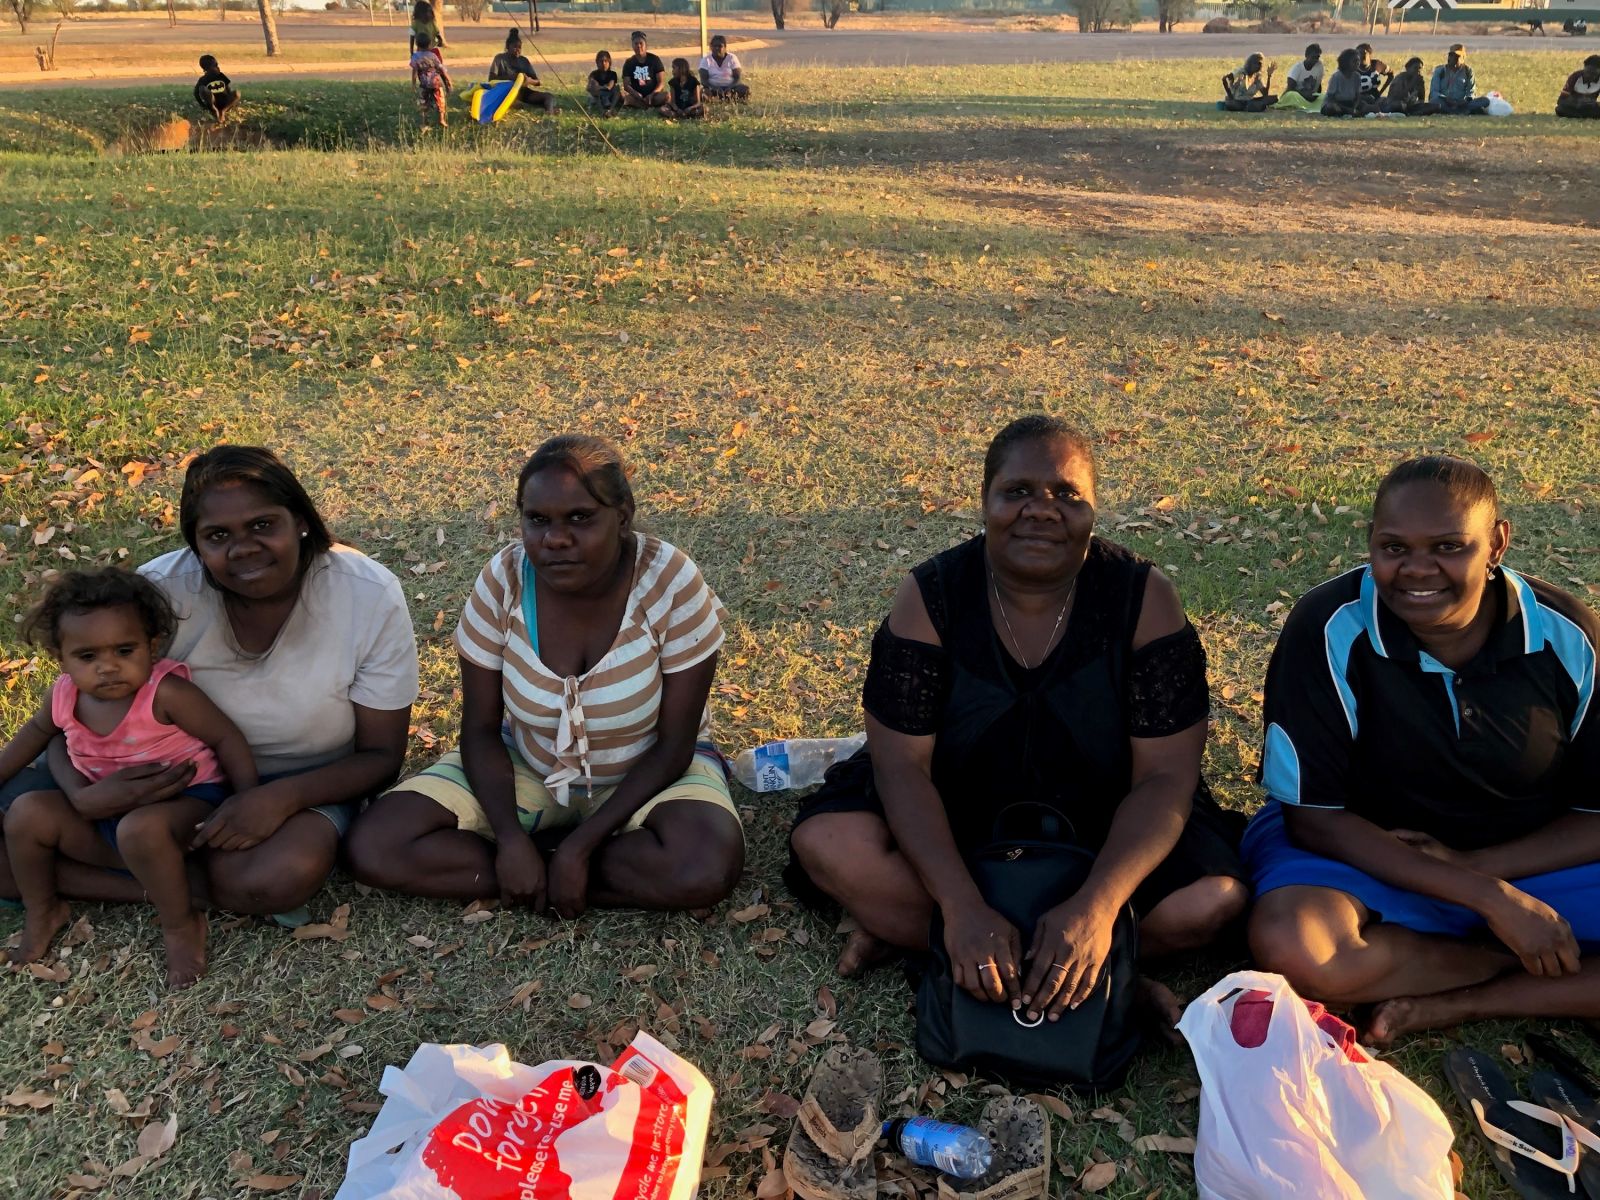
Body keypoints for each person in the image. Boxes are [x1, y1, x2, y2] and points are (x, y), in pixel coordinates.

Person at [786, 416, 1248, 1028]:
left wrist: (1097, 905)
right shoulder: (931, 596)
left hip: (1101, 821)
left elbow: (1165, 779)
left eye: (1067, 494)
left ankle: (949, 946)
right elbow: (901, 766)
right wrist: (960, 906)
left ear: (1094, 510)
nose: (1041, 510)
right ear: (985, 503)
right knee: (829, 845)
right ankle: (1069, 970)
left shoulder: (1144, 600)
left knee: (1212, 902)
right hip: (958, 812)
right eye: (1017, 491)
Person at [1245, 456, 1600, 1043]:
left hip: (1530, 855)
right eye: (1393, 548)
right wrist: (1489, 900)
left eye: (1449, 546)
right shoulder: (1328, 626)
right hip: (1367, 851)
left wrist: (1481, 873)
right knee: (1296, 944)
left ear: (1498, 543)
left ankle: (1464, 1000)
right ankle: (1540, 959)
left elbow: (1594, 815)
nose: (1417, 569)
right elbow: (1314, 820)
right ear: (1371, 545)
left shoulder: (1567, 635)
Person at [0, 446, 420, 921]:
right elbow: (70, 712)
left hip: (304, 782)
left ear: (301, 521)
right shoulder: (160, 590)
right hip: (160, 782)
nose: (243, 548)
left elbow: (382, 758)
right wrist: (83, 794)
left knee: (270, 878)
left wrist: (279, 798)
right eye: (218, 535)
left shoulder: (366, 594)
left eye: (263, 525)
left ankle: (120, 878)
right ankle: (172, 879)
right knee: (17, 809)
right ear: (195, 545)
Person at [346, 435, 744, 917]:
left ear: (621, 517)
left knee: (705, 867)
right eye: (538, 520)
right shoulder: (504, 580)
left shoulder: (669, 580)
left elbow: (675, 745)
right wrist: (510, 840)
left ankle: (556, 863)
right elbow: (479, 730)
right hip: (529, 760)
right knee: (375, 845)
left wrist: (579, 848)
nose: (555, 539)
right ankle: (541, 865)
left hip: (649, 769)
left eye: (580, 518)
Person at [1, 570, 256, 988]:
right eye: (87, 657)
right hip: (104, 808)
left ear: (151, 647)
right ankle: (43, 908)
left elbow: (226, 738)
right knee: (26, 814)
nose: (108, 668)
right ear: (60, 658)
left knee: (142, 828)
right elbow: (32, 738)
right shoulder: (63, 695)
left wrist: (246, 800)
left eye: (124, 650)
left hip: (187, 801)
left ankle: (179, 924)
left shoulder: (167, 693)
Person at [488, 29, 558, 115]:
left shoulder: (524, 61)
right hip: (505, 92)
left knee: (549, 97)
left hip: (523, 92)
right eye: (514, 47)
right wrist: (512, 77)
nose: (517, 50)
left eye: (519, 47)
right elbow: (491, 79)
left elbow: (537, 82)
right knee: (516, 103)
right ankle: (526, 107)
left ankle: (549, 112)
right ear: (507, 47)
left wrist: (529, 80)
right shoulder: (499, 58)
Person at [1431, 44, 1491, 115]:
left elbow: (1471, 91)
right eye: (1451, 55)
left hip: (1462, 103)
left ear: (1463, 58)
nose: (1453, 58)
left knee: (1485, 100)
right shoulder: (1440, 70)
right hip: (1445, 102)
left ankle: (1455, 111)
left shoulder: (1468, 71)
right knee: (1435, 101)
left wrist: (1466, 100)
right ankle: (1460, 112)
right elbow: (1434, 92)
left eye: (1457, 56)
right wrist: (1446, 99)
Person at [411, 33, 452, 129]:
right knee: (440, 101)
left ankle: (424, 122)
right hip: (436, 83)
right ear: (430, 44)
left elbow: (414, 72)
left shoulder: (416, 57)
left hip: (424, 84)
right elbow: (441, 68)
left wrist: (413, 84)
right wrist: (448, 79)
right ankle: (442, 120)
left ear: (417, 45)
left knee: (424, 102)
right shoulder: (433, 56)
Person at [621, 31, 667, 110]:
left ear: (646, 45)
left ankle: (645, 105)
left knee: (667, 96)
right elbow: (626, 85)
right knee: (622, 95)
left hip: (653, 95)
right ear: (632, 46)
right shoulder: (629, 62)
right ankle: (643, 105)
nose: (638, 46)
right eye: (636, 44)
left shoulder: (655, 59)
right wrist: (636, 94)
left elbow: (661, 83)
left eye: (641, 43)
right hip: (636, 96)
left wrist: (652, 95)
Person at [1321, 49, 1371, 117]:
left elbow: (1357, 96)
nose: (1358, 63)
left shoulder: (1357, 76)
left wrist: (1354, 108)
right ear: (1346, 62)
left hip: (1349, 103)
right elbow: (1331, 98)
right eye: (1354, 61)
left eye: (1358, 60)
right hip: (1336, 103)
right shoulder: (1336, 77)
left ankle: (1350, 112)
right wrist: (1348, 110)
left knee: (1365, 107)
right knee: (1332, 108)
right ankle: (1348, 112)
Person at [699, 35, 749, 102]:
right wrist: (715, 89)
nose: (717, 48)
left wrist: (729, 88)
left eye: (720, 46)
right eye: (714, 46)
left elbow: (737, 78)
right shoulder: (706, 60)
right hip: (712, 89)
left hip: (731, 88)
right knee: (703, 92)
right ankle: (726, 99)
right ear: (711, 47)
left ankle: (726, 98)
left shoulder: (732, 58)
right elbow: (704, 80)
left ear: (725, 47)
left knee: (744, 89)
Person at [193, 54, 239, 124]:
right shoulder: (203, 79)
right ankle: (214, 110)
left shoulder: (221, 76)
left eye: (217, 65)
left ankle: (223, 111)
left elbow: (228, 89)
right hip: (213, 102)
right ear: (206, 69)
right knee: (202, 89)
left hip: (224, 101)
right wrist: (203, 105)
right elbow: (196, 93)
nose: (217, 67)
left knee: (237, 93)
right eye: (215, 65)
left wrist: (231, 102)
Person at [1557, 54, 1600, 118]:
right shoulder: (1575, 77)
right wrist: (1576, 101)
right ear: (1584, 68)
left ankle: (1580, 116)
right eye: (1587, 72)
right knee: (1560, 109)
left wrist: (1594, 103)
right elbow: (1560, 101)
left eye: (1593, 74)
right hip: (1574, 106)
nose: (1589, 76)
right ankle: (1584, 116)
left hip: (1590, 108)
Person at [588, 50, 621, 116]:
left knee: (617, 89)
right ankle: (602, 111)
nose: (603, 63)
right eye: (601, 61)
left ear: (609, 62)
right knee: (595, 92)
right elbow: (590, 87)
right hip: (598, 96)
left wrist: (599, 87)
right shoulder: (593, 74)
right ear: (597, 63)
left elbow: (609, 87)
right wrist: (597, 87)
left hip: (609, 94)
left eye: (606, 61)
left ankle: (610, 109)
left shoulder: (612, 74)